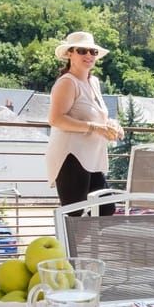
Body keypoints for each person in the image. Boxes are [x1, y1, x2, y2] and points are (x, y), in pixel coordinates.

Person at [45, 32, 123, 215]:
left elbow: (95, 114)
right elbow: (55, 119)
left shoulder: (93, 81)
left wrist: (112, 125)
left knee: (106, 208)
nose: (89, 55)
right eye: (82, 51)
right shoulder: (67, 83)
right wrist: (95, 128)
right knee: (75, 215)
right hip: (71, 157)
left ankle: (91, 244)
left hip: (92, 158)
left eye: (93, 51)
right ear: (70, 54)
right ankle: (71, 244)